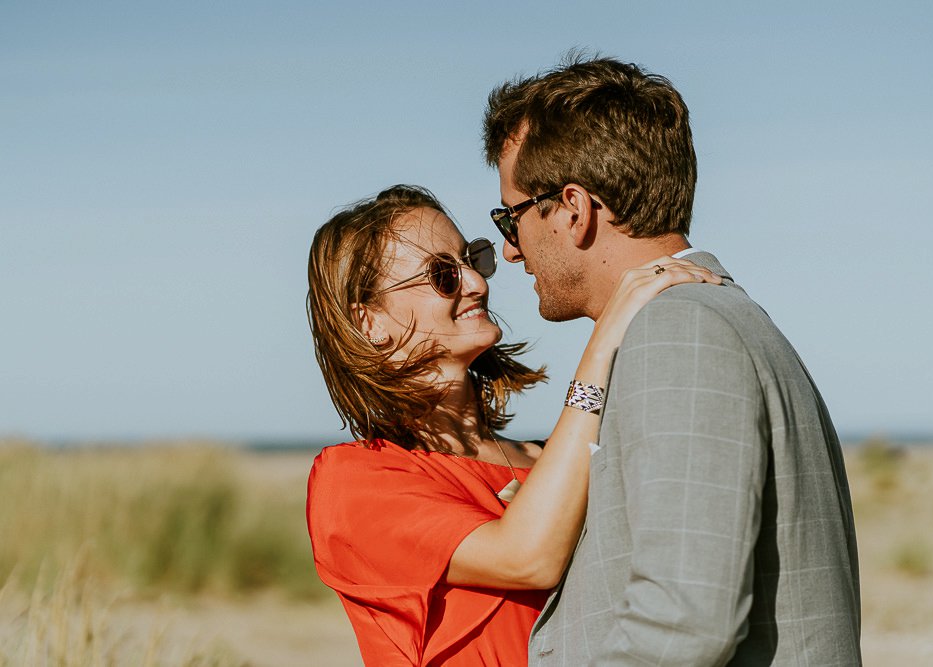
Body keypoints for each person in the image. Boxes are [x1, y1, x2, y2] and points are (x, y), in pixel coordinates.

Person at [482, 56, 862, 665]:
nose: (508, 248)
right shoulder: (717, 318)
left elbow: (684, 623)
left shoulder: (678, 331)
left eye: (512, 216)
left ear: (573, 209)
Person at [305, 184, 721, 666]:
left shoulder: (548, 459)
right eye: (442, 274)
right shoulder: (355, 485)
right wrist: (604, 340)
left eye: (473, 259)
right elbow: (527, 558)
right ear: (369, 321)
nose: (478, 284)